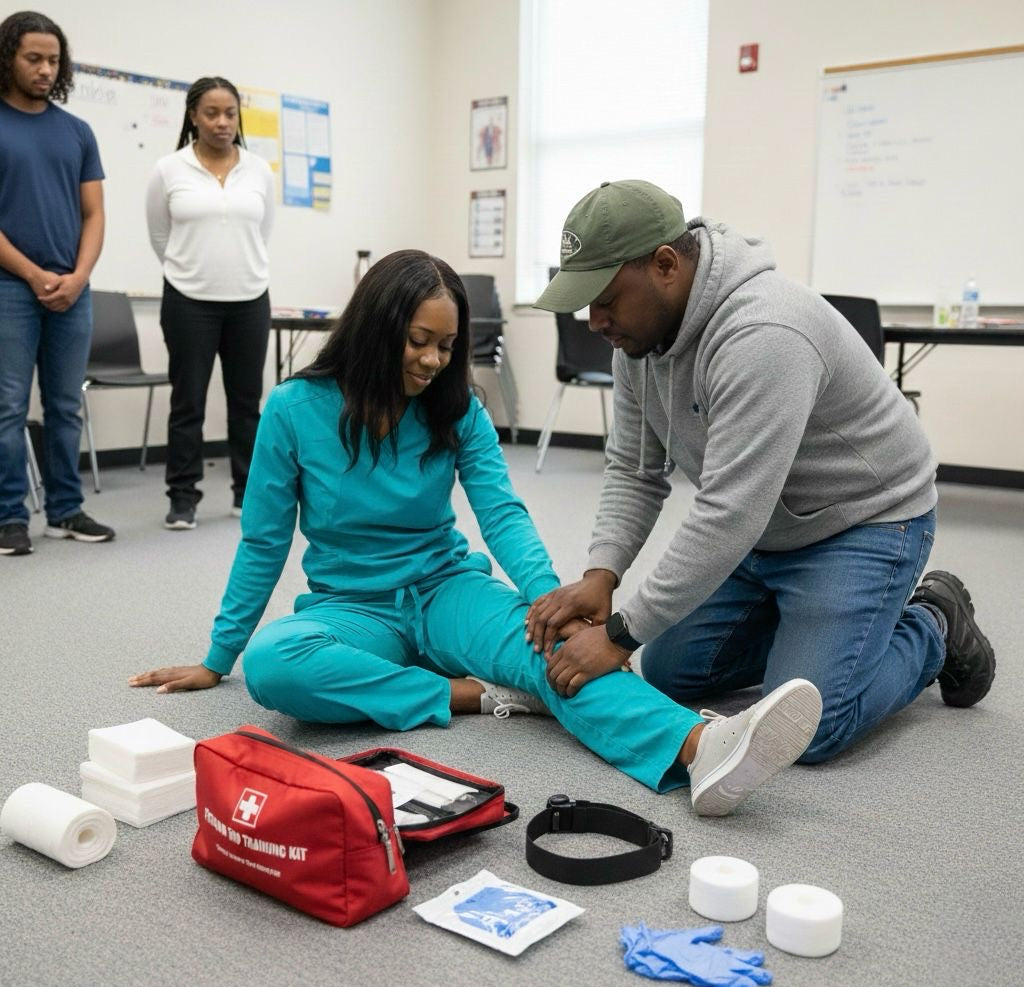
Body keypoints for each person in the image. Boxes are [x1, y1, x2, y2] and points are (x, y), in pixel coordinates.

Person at [130, 248, 823, 817]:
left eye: (447, 346)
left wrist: (551, 602)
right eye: (419, 342)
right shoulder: (292, 409)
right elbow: (263, 541)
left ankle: (701, 748)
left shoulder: (457, 408)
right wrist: (219, 656)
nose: (434, 362)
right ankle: (475, 693)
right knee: (274, 663)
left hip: (446, 589)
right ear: (375, 328)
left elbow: (501, 513)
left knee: (558, 652)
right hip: (351, 608)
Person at [527, 179, 996, 764]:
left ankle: (933, 622)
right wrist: (603, 574)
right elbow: (634, 471)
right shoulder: (637, 344)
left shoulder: (763, 333)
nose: (595, 321)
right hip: (768, 528)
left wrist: (619, 634)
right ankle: (819, 627)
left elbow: (729, 513)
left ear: (665, 265)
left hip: (866, 522)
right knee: (671, 672)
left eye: (605, 298)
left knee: (810, 729)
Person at [0, 10, 115, 556]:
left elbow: (94, 214)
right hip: (9, 287)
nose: (45, 69)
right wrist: (34, 273)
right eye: (33, 58)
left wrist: (79, 276)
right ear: (9, 58)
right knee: (8, 407)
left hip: (73, 289)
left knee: (65, 406)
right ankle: (8, 516)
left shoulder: (77, 131)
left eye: (53, 60)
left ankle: (65, 510)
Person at [146, 76, 275, 530]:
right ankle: (183, 498)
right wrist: (190, 271)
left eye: (230, 113)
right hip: (188, 301)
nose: (222, 122)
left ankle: (247, 493)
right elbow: (160, 236)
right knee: (188, 403)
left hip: (249, 299)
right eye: (212, 113)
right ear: (193, 117)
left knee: (247, 403)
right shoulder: (169, 169)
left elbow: (262, 232)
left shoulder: (259, 170)